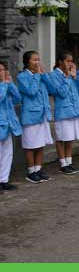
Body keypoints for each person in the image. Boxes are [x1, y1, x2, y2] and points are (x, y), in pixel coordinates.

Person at [45, 52, 79, 174]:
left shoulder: (70, 75)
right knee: (61, 138)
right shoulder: (53, 75)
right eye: (68, 61)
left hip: (73, 110)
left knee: (69, 138)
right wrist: (67, 78)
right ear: (60, 62)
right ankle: (62, 163)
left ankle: (69, 161)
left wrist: (75, 77)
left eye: (71, 61)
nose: (70, 64)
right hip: (63, 111)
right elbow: (60, 93)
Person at [17, 51, 54, 183]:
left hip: (43, 114)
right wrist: (38, 76)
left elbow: (52, 89)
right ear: (27, 62)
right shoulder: (22, 77)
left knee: (40, 144)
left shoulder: (40, 76)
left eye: (39, 59)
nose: (37, 62)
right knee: (31, 145)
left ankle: (38, 169)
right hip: (31, 115)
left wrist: (45, 75)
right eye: (34, 60)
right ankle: (31, 171)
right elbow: (31, 91)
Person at [0, 61, 21, 191]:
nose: (1, 72)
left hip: (8, 124)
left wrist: (10, 83)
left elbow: (18, 98)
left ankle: (4, 180)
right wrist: (3, 84)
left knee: (7, 154)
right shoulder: (3, 86)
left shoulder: (6, 85)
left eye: (3, 69)